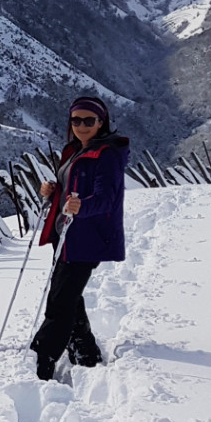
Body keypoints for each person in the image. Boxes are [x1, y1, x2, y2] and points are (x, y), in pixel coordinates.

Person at [32, 95, 128, 381]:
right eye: (76, 120)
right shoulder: (75, 150)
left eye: (89, 120)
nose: (82, 125)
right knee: (69, 293)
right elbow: (71, 187)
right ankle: (84, 349)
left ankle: (44, 355)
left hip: (87, 238)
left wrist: (82, 206)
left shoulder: (106, 154)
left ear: (102, 122)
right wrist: (53, 191)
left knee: (60, 299)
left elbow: (106, 199)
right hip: (66, 234)